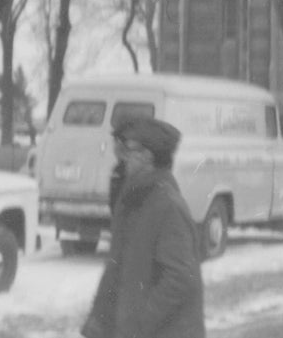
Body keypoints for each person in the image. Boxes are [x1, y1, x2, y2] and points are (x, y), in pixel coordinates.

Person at [82, 117, 204, 338]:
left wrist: (138, 324)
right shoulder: (134, 200)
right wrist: (99, 324)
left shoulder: (167, 205)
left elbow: (181, 278)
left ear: (147, 156)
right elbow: (117, 269)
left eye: (129, 150)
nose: (123, 156)